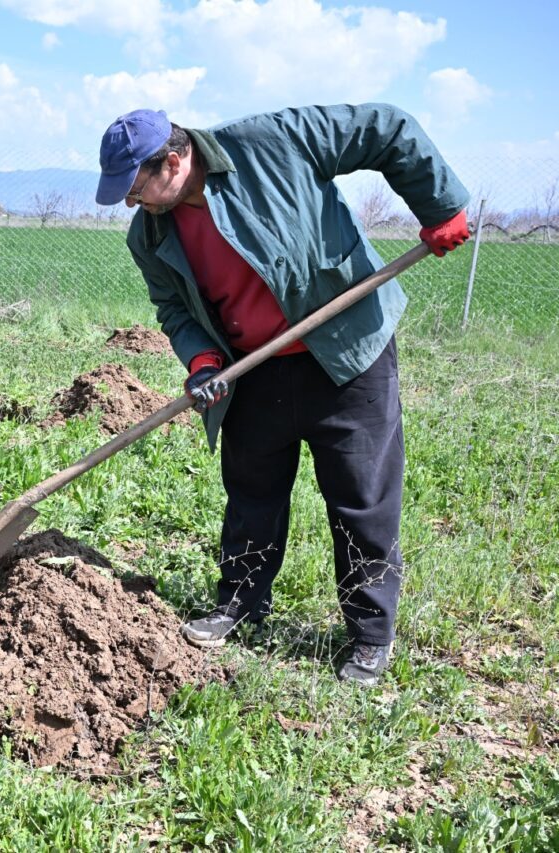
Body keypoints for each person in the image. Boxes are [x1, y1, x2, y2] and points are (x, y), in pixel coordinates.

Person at [95, 104, 470, 686]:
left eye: (134, 188)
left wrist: (439, 205)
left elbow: (386, 128)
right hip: (252, 368)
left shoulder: (272, 143)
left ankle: (371, 634)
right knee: (252, 492)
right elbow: (173, 308)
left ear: (172, 161)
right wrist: (202, 360)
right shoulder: (150, 235)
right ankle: (240, 602)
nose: (129, 203)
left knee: (360, 498)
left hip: (346, 349)